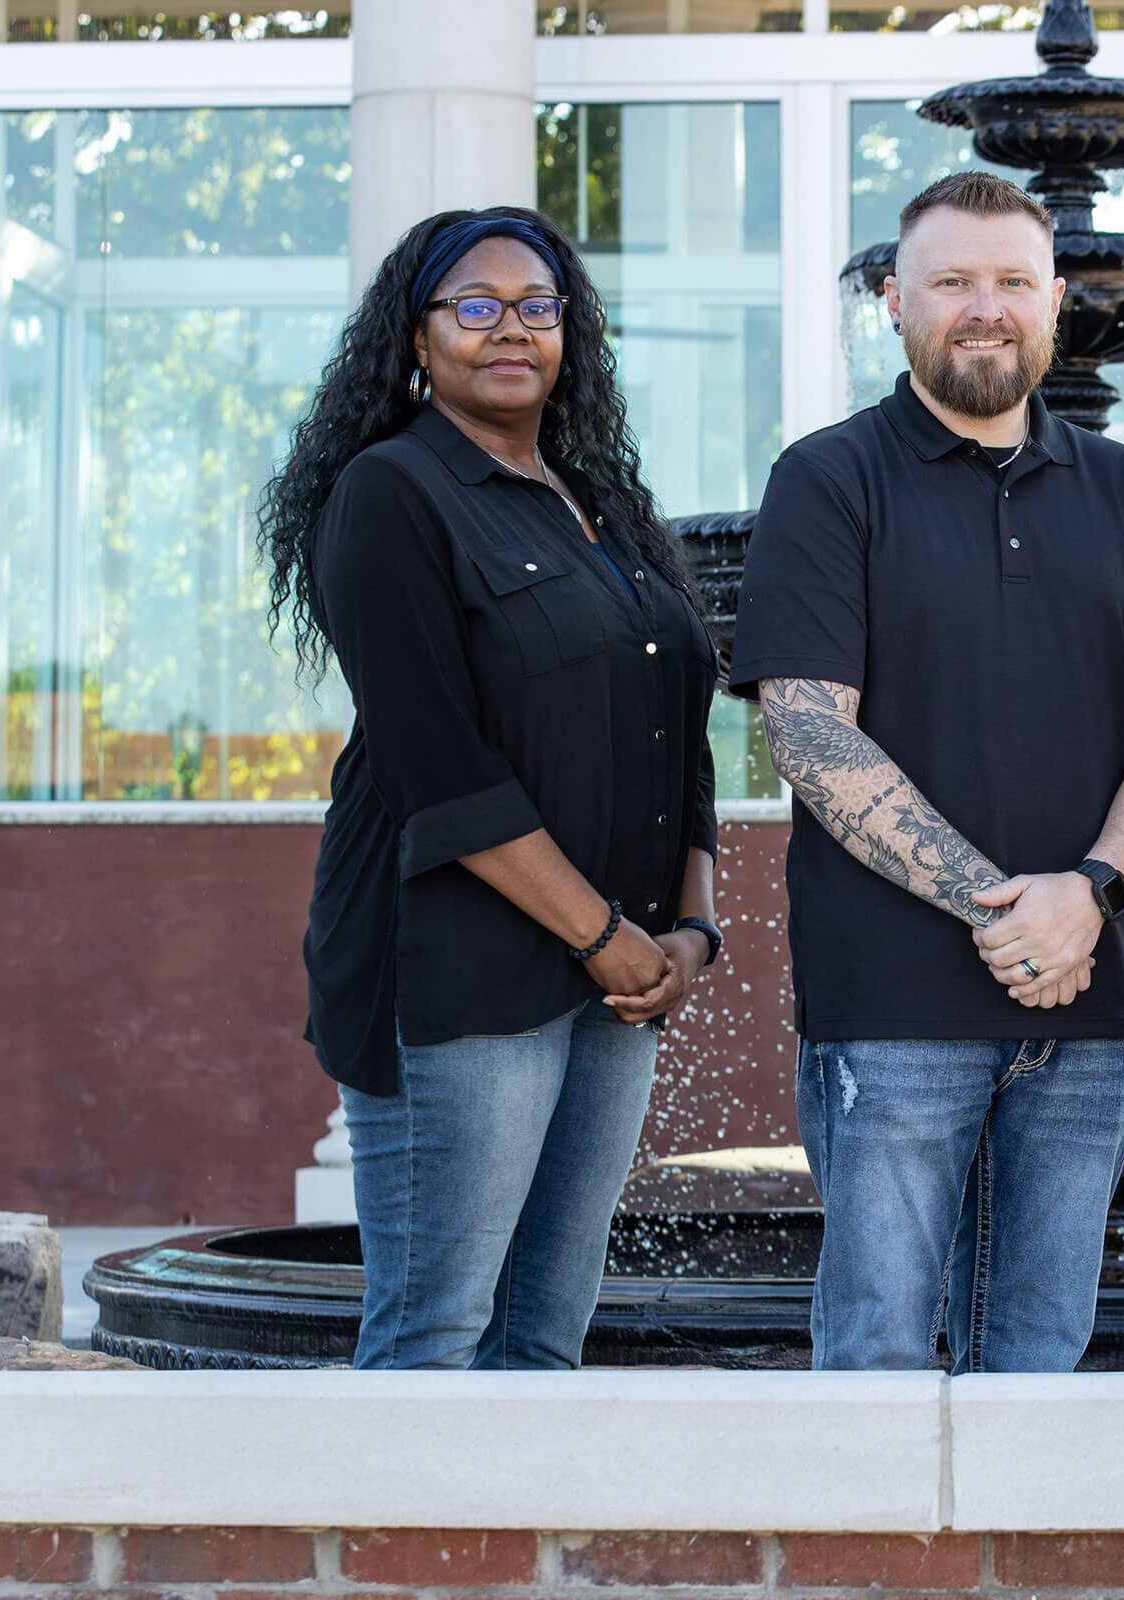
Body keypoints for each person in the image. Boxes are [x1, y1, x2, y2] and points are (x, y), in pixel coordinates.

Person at [727, 172, 1124, 1374]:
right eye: (951, 281)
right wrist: (1006, 912)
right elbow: (806, 730)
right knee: (881, 1360)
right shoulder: (828, 477)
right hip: (891, 1011)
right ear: (895, 302)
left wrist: (1085, 898)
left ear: (1054, 302)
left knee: (1041, 1358)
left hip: (1088, 1013)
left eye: (1010, 281)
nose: (982, 307)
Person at [259, 206, 723, 1370]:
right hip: (461, 973)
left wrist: (692, 924)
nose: (508, 329)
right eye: (473, 306)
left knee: (545, 1341)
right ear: (417, 339)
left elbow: (682, 723)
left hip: (621, 977)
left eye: (537, 306)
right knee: (435, 1333)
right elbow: (438, 767)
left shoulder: (598, 502)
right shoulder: (391, 494)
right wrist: (605, 934)